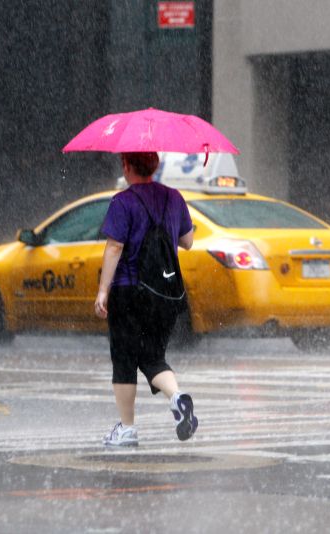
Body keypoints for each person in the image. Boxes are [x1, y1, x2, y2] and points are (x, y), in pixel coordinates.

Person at [95, 151, 198, 447]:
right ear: (155, 165)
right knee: (153, 357)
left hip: (129, 292)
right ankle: (177, 398)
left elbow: (115, 247)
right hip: (164, 294)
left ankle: (126, 429)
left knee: (125, 360)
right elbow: (188, 242)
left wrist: (103, 290)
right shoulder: (174, 198)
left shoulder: (123, 202)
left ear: (127, 166)